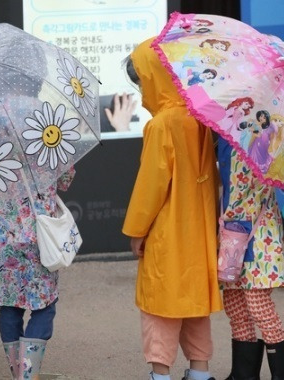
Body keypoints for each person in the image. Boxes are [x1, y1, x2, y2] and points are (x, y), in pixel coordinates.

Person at [121, 37, 222, 380]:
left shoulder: (161, 124)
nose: (140, 88)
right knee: (195, 306)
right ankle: (199, 372)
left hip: (167, 232)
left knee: (159, 307)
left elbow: (151, 185)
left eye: (141, 81)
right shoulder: (200, 119)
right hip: (199, 233)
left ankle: (160, 373)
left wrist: (137, 230)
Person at [0, 165, 75, 380]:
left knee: (10, 305)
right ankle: (28, 375)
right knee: (45, 305)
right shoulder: (45, 136)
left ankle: (19, 373)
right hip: (37, 235)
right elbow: (65, 180)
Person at [217, 136, 284, 380]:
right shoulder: (224, 138)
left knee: (258, 305)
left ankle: (283, 376)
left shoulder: (260, 139)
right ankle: (243, 374)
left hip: (256, 233)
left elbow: (241, 189)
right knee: (235, 303)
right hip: (235, 234)